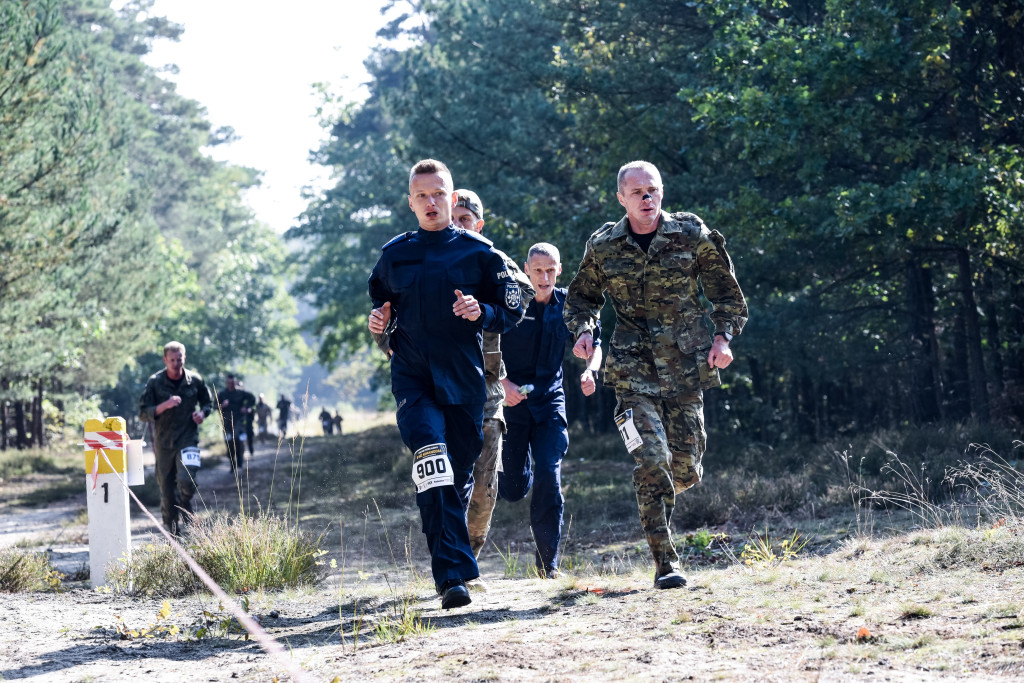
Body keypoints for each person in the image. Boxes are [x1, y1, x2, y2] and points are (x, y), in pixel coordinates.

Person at [564, 160, 748, 590]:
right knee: (652, 460)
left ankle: (655, 491)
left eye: (654, 190)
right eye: (638, 192)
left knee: (685, 469)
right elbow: (580, 302)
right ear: (621, 199)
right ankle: (666, 562)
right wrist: (584, 332)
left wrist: (723, 339)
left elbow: (728, 296)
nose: (648, 198)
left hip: (686, 366)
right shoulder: (604, 246)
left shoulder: (691, 235)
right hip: (631, 370)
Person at [367, 159, 531, 609]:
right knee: (432, 462)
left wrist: (484, 313)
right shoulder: (394, 255)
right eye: (422, 195)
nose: (431, 202)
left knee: (456, 477)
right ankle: (452, 578)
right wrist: (380, 321)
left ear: (452, 197)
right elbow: (381, 303)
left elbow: (515, 305)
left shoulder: (480, 253)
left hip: (464, 385)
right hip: (414, 382)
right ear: (411, 202)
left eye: (439, 194)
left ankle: (452, 561)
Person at [498, 242, 603, 579]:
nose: (544, 277)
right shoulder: (510, 303)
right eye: (537, 270)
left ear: (559, 269)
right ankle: (519, 475)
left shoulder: (570, 304)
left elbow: (594, 344)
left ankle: (548, 565)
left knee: (549, 474)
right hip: (511, 405)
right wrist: (502, 384)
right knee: (513, 488)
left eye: (550, 270)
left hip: (549, 404)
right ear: (526, 270)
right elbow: (482, 346)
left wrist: (590, 370)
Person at [138, 341, 213, 534]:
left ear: (184, 358)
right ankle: (173, 534)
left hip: (188, 439)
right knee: (166, 491)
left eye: (179, 359)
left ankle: (185, 500)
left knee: (187, 480)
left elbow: (208, 403)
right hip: (164, 443)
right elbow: (143, 413)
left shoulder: (195, 380)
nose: (176, 363)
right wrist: (165, 405)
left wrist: (202, 414)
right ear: (165, 360)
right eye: (171, 360)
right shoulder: (155, 382)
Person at [219, 374, 254, 472]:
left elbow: (252, 399)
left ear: (235, 382)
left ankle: (240, 461)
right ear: (226, 383)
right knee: (229, 444)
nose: (231, 385)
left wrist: (246, 407)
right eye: (229, 383)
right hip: (227, 424)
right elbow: (214, 405)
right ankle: (232, 465)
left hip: (239, 422)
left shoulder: (241, 393)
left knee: (238, 440)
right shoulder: (222, 394)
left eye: (233, 383)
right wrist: (222, 405)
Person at [240, 380, 256, 456]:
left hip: (248, 422)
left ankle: (251, 452)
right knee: (240, 440)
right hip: (239, 423)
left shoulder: (249, 396)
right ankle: (241, 455)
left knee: (250, 438)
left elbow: (253, 406)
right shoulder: (234, 397)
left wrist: (249, 409)